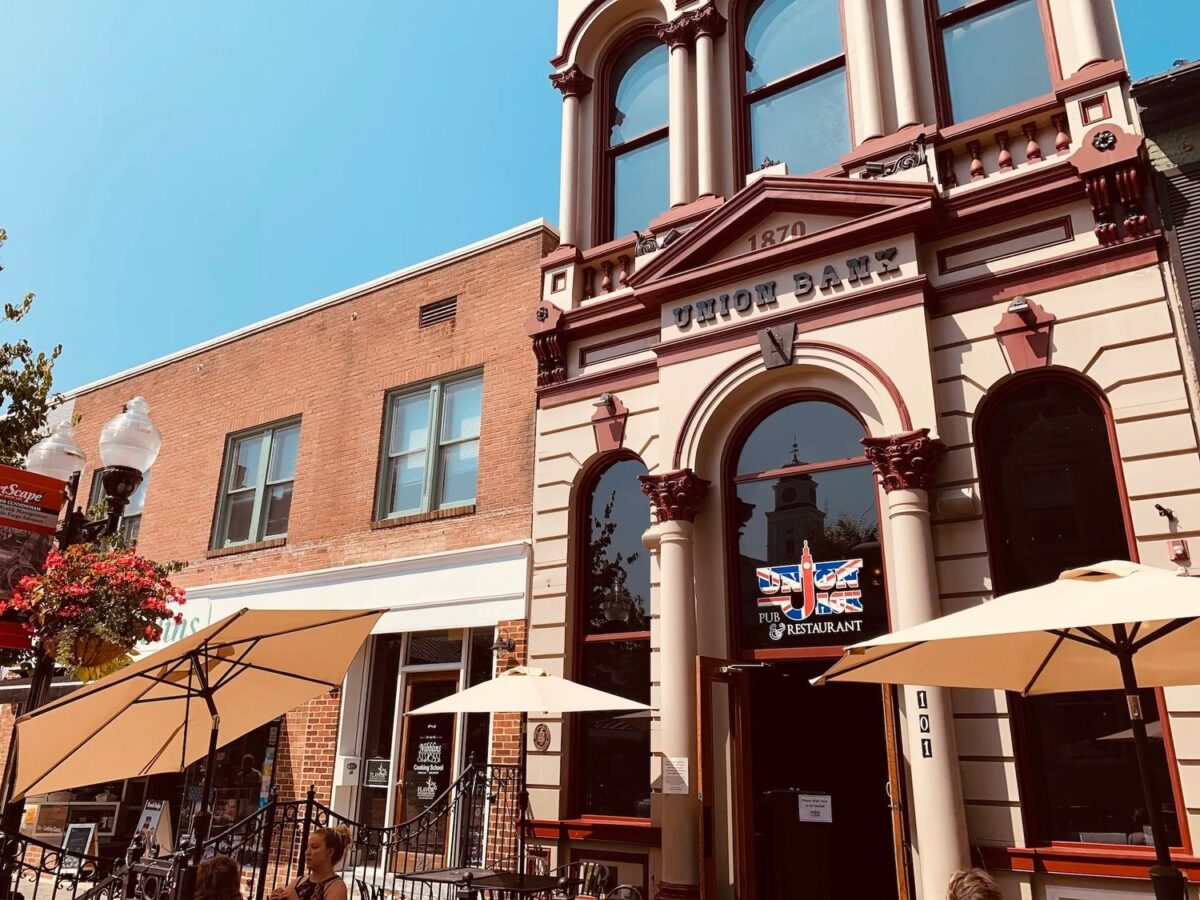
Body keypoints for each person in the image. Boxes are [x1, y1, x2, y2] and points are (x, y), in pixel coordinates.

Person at [269, 826, 350, 900]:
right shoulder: (298, 881)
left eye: (314, 847)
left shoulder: (336, 887)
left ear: (330, 852)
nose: (307, 852)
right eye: (308, 847)